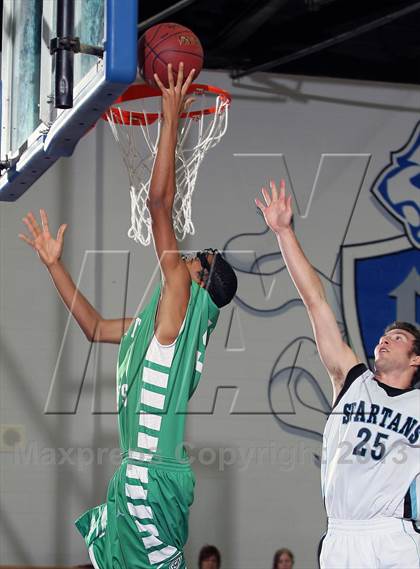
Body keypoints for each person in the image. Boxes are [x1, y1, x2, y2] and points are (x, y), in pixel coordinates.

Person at [19, 63, 237, 569]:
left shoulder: (184, 301)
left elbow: (159, 203)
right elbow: (94, 329)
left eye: (198, 256)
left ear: (202, 280)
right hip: (142, 474)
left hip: (152, 475)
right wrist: (55, 267)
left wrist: (171, 119)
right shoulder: (157, 329)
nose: (188, 255)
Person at [255, 180, 420, 569]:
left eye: (397, 338)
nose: (385, 340)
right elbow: (315, 302)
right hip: (341, 534)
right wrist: (284, 232)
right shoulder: (352, 379)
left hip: (392, 533)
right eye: (384, 335)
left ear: (416, 360)